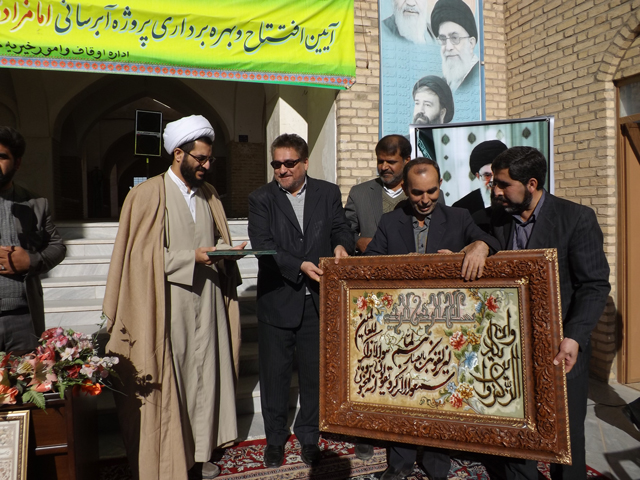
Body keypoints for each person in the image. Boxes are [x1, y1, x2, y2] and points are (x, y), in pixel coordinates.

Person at [103, 115, 246, 480]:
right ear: (178, 154)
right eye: (201, 158)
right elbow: (139, 258)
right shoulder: (147, 194)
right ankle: (171, 457)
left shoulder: (210, 195)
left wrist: (227, 252)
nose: (207, 165)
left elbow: (215, 240)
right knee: (175, 381)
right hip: (165, 305)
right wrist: (191, 257)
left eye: (210, 158)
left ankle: (202, 451)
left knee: (205, 378)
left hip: (208, 301)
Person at [473, 146, 611, 480]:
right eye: (494, 182)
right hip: (508, 351)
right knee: (517, 437)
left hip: (561, 349)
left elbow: (594, 285)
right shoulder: (494, 218)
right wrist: (479, 244)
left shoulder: (576, 218)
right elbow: (476, 235)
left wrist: (574, 337)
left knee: (565, 439)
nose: (495, 190)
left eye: (504, 184)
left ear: (531, 184)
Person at [365, 157, 500, 480]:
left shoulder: (459, 217)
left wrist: (480, 246)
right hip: (402, 328)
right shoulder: (390, 221)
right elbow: (369, 264)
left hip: (445, 328)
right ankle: (400, 462)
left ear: (440, 186)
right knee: (401, 395)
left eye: (432, 191)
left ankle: (438, 463)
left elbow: (494, 242)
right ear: (405, 189)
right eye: (417, 193)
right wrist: (402, 265)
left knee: (441, 395)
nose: (425, 199)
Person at [247, 133, 354, 469]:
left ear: (305, 162)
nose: (282, 169)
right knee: (275, 376)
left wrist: (341, 246)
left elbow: (340, 228)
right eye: (276, 164)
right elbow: (263, 245)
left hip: (318, 301)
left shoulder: (328, 192)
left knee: (313, 375)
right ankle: (275, 439)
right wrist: (299, 266)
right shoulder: (260, 198)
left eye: (289, 163)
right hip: (277, 299)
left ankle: (309, 437)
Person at [0, 126, 65, 353]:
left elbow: (57, 246)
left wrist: (30, 260)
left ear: (17, 163)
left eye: (2, 156)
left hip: (23, 319)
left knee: (29, 376)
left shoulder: (35, 203)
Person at [345, 135, 411, 255]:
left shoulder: (422, 194)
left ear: (407, 160)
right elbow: (344, 231)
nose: (384, 167)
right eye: (380, 161)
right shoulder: (360, 193)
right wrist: (358, 242)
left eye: (391, 162)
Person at [431, 0, 479, 93]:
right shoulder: (443, 85)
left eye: (455, 38)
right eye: (443, 39)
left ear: (471, 43)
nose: (448, 47)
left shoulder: (480, 77)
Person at [452, 140, 507, 215]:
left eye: (497, 174)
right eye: (487, 175)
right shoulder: (461, 208)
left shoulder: (515, 200)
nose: (492, 181)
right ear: (478, 176)